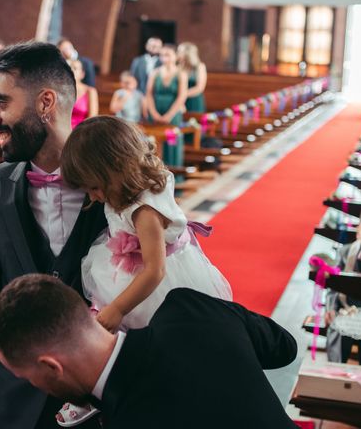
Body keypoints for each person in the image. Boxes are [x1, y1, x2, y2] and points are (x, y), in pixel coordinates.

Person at [0, 41, 107, 429]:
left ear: (46, 103)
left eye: (2, 102)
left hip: (95, 397)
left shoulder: (115, 182)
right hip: (10, 395)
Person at [57, 116, 232, 425]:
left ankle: (141, 394)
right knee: (109, 328)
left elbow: (155, 271)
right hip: (122, 265)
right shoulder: (123, 189)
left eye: (95, 187)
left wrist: (118, 307)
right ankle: (102, 389)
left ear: (114, 167)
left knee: (144, 336)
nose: (93, 197)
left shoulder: (144, 209)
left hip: (158, 283)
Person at [0, 275, 298, 429]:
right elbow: (284, 348)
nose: (34, 387)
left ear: (51, 367)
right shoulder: (188, 307)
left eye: (28, 378)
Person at [325, 206, 361, 367]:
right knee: (337, 329)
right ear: (358, 232)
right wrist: (330, 308)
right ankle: (336, 370)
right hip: (349, 309)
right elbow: (333, 286)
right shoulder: (345, 252)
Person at [145, 44, 187, 126]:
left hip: (173, 112)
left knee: (172, 137)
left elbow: (181, 96)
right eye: (162, 55)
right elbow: (149, 94)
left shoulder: (181, 74)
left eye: (167, 55)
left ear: (176, 56)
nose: (164, 58)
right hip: (155, 109)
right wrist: (154, 114)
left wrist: (169, 116)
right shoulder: (154, 73)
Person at [177, 42, 207, 114]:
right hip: (178, 101)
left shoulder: (199, 66)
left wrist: (182, 95)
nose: (177, 53)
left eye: (179, 51)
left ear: (188, 53)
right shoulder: (177, 66)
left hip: (194, 100)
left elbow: (199, 87)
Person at [68, 60, 98, 128]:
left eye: (75, 68)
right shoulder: (61, 90)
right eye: (69, 68)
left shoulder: (90, 91)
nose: (71, 70)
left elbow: (92, 119)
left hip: (81, 132)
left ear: (82, 74)